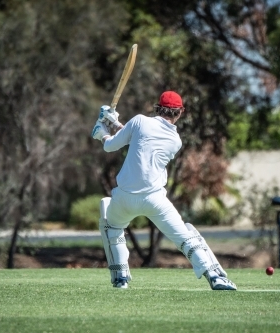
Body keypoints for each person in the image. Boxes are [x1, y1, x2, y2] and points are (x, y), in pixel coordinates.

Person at [91, 91, 237, 290]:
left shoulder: (139, 121)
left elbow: (111, 145)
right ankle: (214, 276)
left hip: (124, 198)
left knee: (112, 228)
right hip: (154, 200)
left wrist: (103, 130)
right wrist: (114, 123)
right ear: (180, 112)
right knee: (184, 238)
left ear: (157, 107)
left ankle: (121, 279)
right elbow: (140, 138)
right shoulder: (175, 141)